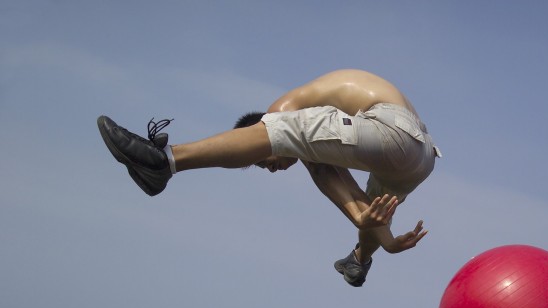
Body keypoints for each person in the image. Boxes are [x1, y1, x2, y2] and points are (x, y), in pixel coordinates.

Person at [97, 69, 441, 287]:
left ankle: (164, 161)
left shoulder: (282, 109)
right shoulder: (321, 139)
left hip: (393, 129)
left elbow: (321, 169)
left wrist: (354, 214)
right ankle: (361, 260)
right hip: (418, 158)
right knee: (375, 212)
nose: (271, 167)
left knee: (282, 130)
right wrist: (388, 242)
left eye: (263, 161)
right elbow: (356, 199)